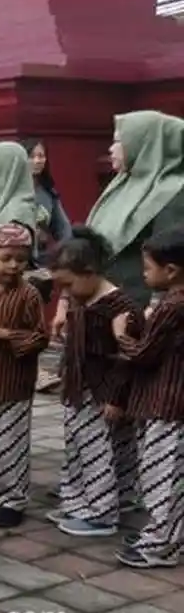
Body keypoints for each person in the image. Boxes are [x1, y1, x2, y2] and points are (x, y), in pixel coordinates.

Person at [48, 228, 143, 537]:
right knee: (82, 447)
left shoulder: (120, 309)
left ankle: (101, 514)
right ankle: (86, 500)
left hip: (103, 394)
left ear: (89, 273)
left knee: (98, 452)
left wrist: (115, 398)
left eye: (68, 284)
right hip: (82, 389)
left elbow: (126, 360)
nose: (66, 292)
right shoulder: (84, 297)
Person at [112, 226, 184, 568]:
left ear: (171, 271)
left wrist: (122, 335)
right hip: (169, 401)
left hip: (169, 403)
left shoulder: (174, 304)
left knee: (163, 475)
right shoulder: (172, 302)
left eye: (147, 268)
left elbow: (143, 354)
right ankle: (168, 535)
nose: (144, 274)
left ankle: (162, 545)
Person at [0, 224, 50, 529]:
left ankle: (13, 499)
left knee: (10, 444)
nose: (14, 265)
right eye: (6, 258)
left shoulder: (28, 295)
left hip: (12, 382)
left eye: (20, 258)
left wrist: (2, 334)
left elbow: (41, 338)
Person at [83, 110, 184, 313]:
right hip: (101, 300)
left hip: (139, 308)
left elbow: (170, 256)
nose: (111, 149)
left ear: (147, 145)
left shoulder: (172, 191)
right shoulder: (121, 185)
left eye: (119, 141)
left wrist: (156, 306)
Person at [22, 138, 72, 263]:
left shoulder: (48, 193)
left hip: (41, 260)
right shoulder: (13, 193)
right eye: (31, 156)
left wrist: (59, 254)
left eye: (41, 156)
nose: (37, 161)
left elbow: (64, 229)